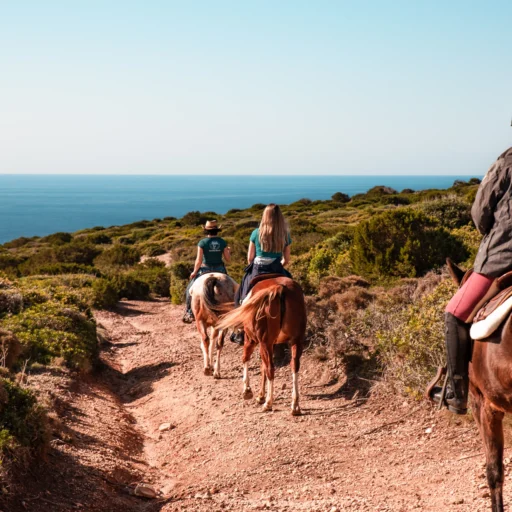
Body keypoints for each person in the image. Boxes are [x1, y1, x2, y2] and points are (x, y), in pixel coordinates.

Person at [432, 147, 512, 414]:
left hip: (502, 259)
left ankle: (457, 392)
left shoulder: (506, 162)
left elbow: (480, 214)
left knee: (454, 314)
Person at [230, 203, 292, 344]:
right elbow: (286, 259)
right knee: (293, 288)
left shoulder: (256, 233)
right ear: (279, 217)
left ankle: (239, 328)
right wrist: (279, 265)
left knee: (241, 294)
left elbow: (250, 258)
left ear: (265, 216)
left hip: (258, 268)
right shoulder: (284, 234)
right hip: (277, 268)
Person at [182, 220, 231, 323]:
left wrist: (194, 272)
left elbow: (199, 260)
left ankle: (189, 312)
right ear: (217, 230)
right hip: (220, 270)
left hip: (205, 269)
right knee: (234, 289)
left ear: (206, 231)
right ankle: (233, 311)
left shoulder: (202, 242)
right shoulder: (222, 242)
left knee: (189, 290)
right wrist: (228, 252)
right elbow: (228, 259)